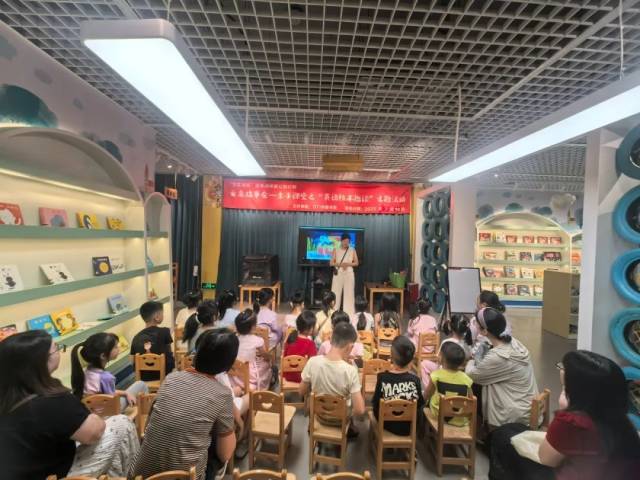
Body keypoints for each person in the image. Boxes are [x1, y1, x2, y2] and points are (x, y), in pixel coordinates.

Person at [0, 331, 138, 479]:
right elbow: (94, 433)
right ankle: (136, 472)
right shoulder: (52, 400)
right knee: (121, 422)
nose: (59, 351)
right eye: (56, 348)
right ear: (42, 360)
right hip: (56, 474)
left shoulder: (10, 397)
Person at [489, 350, 640, 480]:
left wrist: (564, 412)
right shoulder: (619, 419)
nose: (562, 393)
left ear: (578, 395)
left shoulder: (572, 421)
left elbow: (546, 458)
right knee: (513, 428)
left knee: (502, 438)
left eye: (564, 388)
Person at [130, 329, 237, 480]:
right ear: (228, 363)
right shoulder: (223, 394)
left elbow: (149, 426)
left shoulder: (171, 378)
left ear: (197, 352)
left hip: (141, 474)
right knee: (219, 444)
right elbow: (225, 454)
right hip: (185, 477)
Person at [465, 307, 538, 428]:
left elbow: (472, 375)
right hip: (526, 406)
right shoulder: (513, 342)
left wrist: (471, 360)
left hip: (514, 416)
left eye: (476, 323)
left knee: (472, 387)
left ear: (484, 331)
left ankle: (477, 429)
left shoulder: (498, 356)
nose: (473, 324)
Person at [300, 322, 365, 436]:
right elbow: (360, 410)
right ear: (350, 346)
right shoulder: (350, 371)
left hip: (319, 417)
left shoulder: (313, 362)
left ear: (330, 340)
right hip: (340, 420)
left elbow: (301, 391)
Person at [71, 332, 148, 411]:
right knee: (141, 384)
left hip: (93, 410)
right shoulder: (106, 377)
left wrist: (125, 393)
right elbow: (112, 401)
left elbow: (107, 393)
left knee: (130, 391)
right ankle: (147, 413)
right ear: (103, 356)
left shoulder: (88, 371)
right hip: (108, 412)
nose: (118, 348)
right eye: (115, 347)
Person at [372, 336, 424, 436]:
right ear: (411, 359)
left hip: (386, 424)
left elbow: (376, 404)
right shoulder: (415, 380)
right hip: (409, 426)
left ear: (391, 356)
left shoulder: (382, 378)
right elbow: (420, 403)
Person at [426, 342, 473, 426]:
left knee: (425, 404)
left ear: (441, 358)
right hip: (459, 418)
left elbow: (427, 394)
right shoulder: (467, 379)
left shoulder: (436, 375)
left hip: (439, 415)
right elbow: (471, 400)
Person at [130, 301, 175, 378]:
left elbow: (132, 361)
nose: (163, 315)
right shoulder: (165, 332)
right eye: (162, 313)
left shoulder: (136, 337)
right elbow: (169, 354)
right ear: (157, 317)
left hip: (143, 377)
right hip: (163, 376)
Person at [234, 309, 272, 390]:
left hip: (235, 371)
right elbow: (265, 356)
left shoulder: (234, 338)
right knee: (267, 365)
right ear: (253, 327)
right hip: (249, 373)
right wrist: (270, 358)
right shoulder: (258, 340)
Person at [282, 310, 317, 383]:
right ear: (310, 328)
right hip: (302, 379)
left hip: (287, 375)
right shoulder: (310, 344)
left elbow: (284, 355)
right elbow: (313, 364)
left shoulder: (291, 337)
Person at [330, 233, 359, 315]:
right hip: (338, 274)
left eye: (348, 241)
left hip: (349, 274)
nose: (346, 243)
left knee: (349, 294)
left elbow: (356, 263)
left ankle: (349, 314)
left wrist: (347, 264)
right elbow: (331, 263)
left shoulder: (352, 250)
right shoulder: (336, 249)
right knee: (335, 293)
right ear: (341, 241)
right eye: (345, 241)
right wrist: (341, 264)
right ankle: (334, 313)